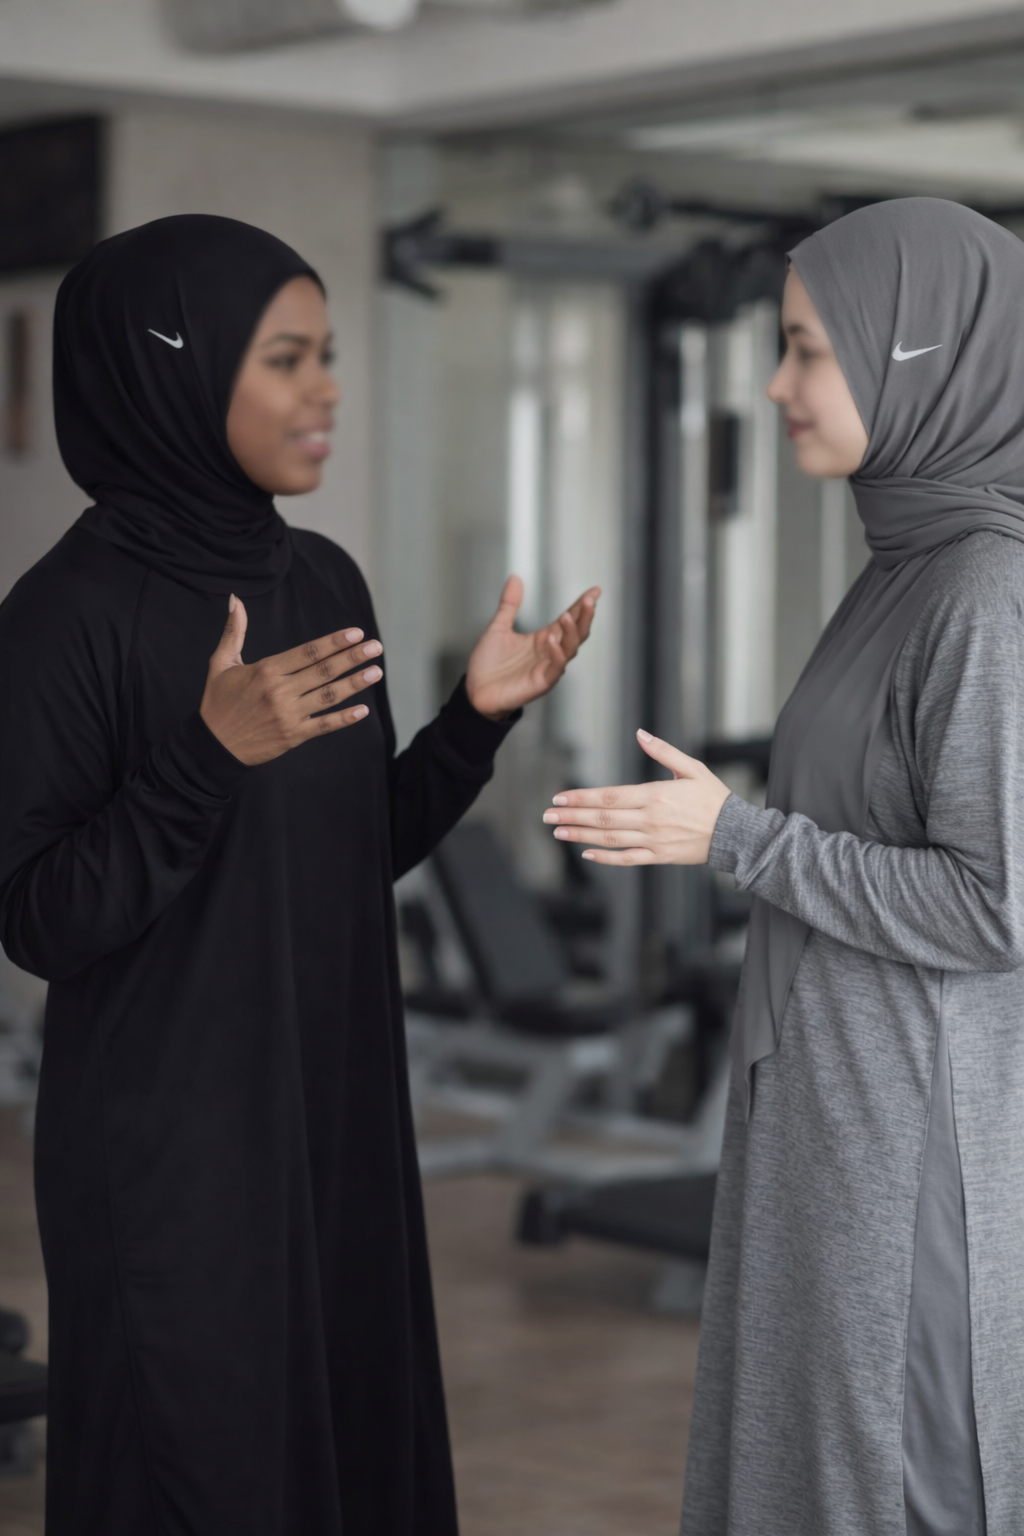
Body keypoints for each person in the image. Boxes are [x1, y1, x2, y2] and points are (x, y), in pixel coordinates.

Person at [0, 214, 599, 1536]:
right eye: (286, 358)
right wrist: (204, 755)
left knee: (347, 1444)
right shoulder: (64, 617)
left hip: (332, 1110)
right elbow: (39, 920)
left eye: (327, 352)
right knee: (198, 1473)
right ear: (175, 367)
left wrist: (472, 725)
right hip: (168, 1142)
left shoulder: (324, 579)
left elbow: (349, 852)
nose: (328, 388)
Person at [542, 197, 1024, 1535]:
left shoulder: (986, 594)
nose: (776, 383)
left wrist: (735, 837)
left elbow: (1000, 906)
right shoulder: (902, 567)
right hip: (836, 1109)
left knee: (898, 1480)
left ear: (917, 355)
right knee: (814, 1468)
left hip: (911, 1141)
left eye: (808, 350)